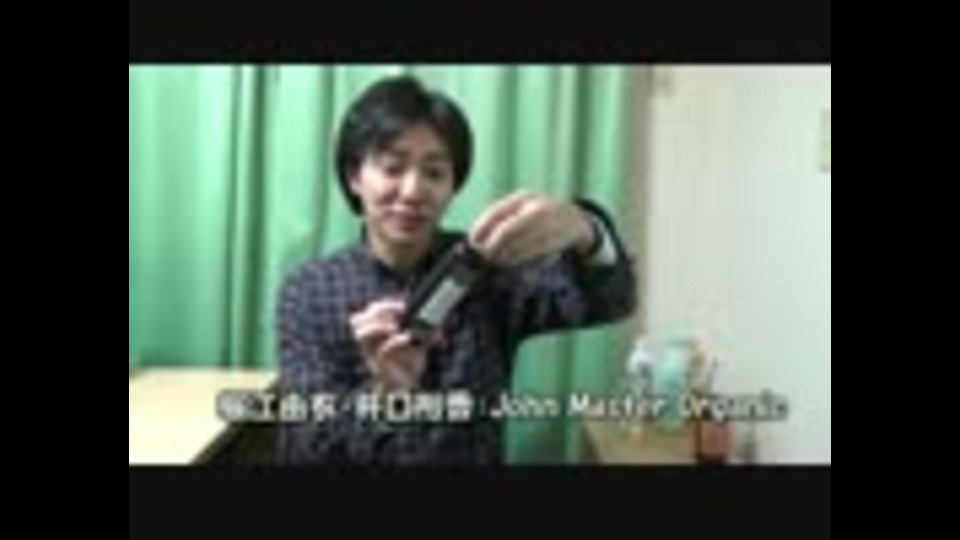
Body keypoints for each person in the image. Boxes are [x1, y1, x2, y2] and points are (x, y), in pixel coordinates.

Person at [276, 74, 637, 464]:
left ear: (453, 185)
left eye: (434, 172)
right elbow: (310, 444)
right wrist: (385, 394)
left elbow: (610, 302)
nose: (413, 191)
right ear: (354, 178)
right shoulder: (309, 291)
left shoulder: (489, 268)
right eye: (393, 168)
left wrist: (587, 231)